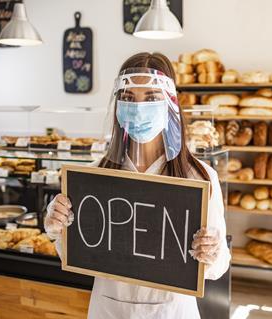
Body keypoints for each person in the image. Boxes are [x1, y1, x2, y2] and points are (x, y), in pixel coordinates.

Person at [44, 52, 230, 319]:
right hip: (108, 309)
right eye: (129, 98)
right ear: (119, 105)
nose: (139, 106)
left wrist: (212, 252)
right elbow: (74, 253)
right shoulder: (95, 174)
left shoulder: (200, 177)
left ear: (170, 103)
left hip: (172, 311)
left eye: (151, 98)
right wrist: (57, 226)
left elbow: (218, 266)